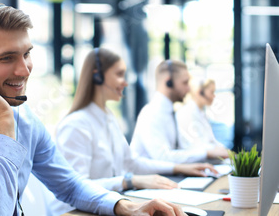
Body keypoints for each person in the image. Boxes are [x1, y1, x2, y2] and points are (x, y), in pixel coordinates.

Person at [0, 1, 187, 216]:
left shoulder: (23, 117)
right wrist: (3, 122)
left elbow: (69, 185)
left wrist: (124, 207)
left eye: (26, 53)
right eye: (7, 58)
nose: (23, 69)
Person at [51, 49, 216, 214]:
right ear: (97, 75)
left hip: (109, 206)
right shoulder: (76, 125)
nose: (125, 82)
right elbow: (77, 188)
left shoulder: (108, 117)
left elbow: (131, 162)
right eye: (119, 74)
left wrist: (178, 168)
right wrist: (129, 181)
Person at [130, 60, 229, 163]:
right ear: (169, 83)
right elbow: (163, 157)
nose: (189, 88)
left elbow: (182, 150)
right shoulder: (150, 114)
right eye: (185, 83)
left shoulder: (170, 113)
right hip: (148, 177)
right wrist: (206, 153)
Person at [176, 78, 227, 150]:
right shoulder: (186, 113)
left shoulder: (202, 114)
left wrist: (225, 150)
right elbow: (196, 146)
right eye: (212, 92)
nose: (214, 96)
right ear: (200, 92)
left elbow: (211, 141)